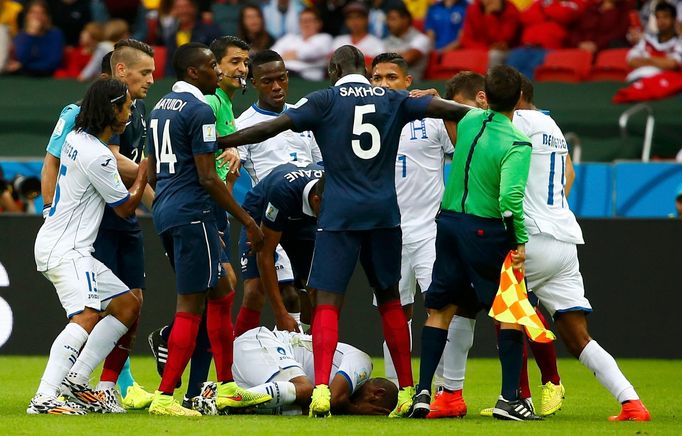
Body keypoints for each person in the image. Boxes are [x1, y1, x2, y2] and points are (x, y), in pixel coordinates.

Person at [217, 44, 473, 418]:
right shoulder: (392, 97)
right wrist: (492, 115)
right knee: (391, 302)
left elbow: (274, 125)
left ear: (335, 69)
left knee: (327, 303)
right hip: (385, 213)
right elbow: (449, 110)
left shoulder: (323, 100)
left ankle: (320, 389)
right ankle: (406, 390)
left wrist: (223, 141)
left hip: (338, 212)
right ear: (365, 68)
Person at [424, 71, 566, 419]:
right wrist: (518, 241)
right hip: (486, 230)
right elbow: (509, 199)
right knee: (510, 312)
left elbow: (445, 108)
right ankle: (510, 399)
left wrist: (424, 98)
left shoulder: (470, 119)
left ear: (485, 95)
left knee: (441, 308)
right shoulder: (517, 142)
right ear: (519, 98)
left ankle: (422, 392)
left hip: (448, 222)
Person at [511, 76, 650, 422]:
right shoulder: (553, 126)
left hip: (534, 237)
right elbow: (569, 173)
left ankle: (521, 398)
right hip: (564, 237)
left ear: (517, 96)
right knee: (578, 337)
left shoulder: (517, 121)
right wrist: (553, 206)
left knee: (507, 315)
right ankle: (631, 402)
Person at [146, 42, 268, 417]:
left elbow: (151, 168)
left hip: (167, 208)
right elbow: (207, 177)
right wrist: (247, 220)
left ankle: (227, 385)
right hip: (193, 212)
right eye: (213, 65)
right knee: (190, 305)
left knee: (222, 290)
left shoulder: (160, 107)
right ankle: (166, 397)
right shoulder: (199, 110)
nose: (219, 71)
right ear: (194, 72)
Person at [40, 39, 157, 413]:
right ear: (111, 112)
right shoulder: (98, 156)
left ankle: (77, 383)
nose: (130, 114)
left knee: (125, 305)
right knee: (87, 314)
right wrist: (145, 172)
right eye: (124, 108)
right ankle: (45, 398)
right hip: (66, 248)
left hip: (69, 245)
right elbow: (124, 207)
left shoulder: (78, 138)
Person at [369, 54, 463, 416]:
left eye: (392, 77)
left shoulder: (430, 117)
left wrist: (441, 105)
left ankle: (444, 391)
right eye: (377, 76)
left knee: (440, 309)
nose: (383, 83)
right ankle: (400, 392)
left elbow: (463, 145)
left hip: (428, 230)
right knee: (395, 312)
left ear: (407, 81)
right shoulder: (362, 119)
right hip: (385, 231)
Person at [230, 49, 322, 338]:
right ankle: (233, 364)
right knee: (265, 292)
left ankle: (300, 351)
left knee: (311, 293)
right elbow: (229, 174)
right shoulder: (243, 125)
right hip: (269, 216)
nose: (277, 87)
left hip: (305, 216)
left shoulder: (303, 119)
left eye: (281, 79)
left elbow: (321, 165)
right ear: (254, 82)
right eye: (268, 81)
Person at [231, 326, 398, 415]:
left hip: (261, 370)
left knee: (291, 408)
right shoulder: (363, 362)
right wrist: (356, 410)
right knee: (306, 390)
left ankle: (215, 398)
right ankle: (232, 397)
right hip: (261, 343)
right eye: (377, 412)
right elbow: (334, 400)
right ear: (377, 394)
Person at [240, 163, 324, 335]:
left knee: (317, 291)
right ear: (316, 200)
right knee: (254, 291)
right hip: (262, 211)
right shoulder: (283, 191)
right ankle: (239, 357)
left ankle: (307, 349)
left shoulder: (335, 188)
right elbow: (265, 253)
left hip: (302, 221)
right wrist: (280, 314)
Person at [162, 0, 221, 77]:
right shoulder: (171, 38)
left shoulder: (210, 31)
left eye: (186, 7)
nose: (182, 11)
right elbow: (170, 68)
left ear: (194, 8)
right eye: (178, 7)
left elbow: (219, 58)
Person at [271, 8, 333, 81]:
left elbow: (308, 54)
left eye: (309, 21)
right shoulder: (290, 38)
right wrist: (294, 55)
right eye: (302, 21)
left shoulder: (325, 38)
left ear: (318, 23)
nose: (306, 24)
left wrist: (285, 55)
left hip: (309, 79)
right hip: (285, 76)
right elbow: (272, 54)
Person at [5, 0, 64, 76]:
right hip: (23, 79)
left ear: (47, 17)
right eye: (33, 13)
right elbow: (21, 58)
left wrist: (24, 67)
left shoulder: (55, 34)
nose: (37, 16)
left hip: (49, 79)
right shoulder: (21, 36)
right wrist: (31, 35)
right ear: (27, 16)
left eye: (41, 13)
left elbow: (52, 63)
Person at [626, 2, 682, 82]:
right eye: (658, 17)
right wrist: (661, 61)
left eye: (665, 17)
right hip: (637, 79)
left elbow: (672, 64)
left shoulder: (679, 42)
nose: (661, 21)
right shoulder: (647, 39)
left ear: (674, 20)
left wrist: (646, 59)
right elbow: (631, 61)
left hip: (663, 83)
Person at [459, 0, 521, 67]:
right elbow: (466, 39)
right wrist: (486, 49)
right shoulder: (473, 8)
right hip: (482, 49)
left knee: (494, 55)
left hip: (509, 51)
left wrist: (491, 16)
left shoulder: (510, 9)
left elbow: (503, 40)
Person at [382, 4, 431, 80]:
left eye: (393, 19)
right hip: (387, 85)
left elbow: (404, 59)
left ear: (405, 19)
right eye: (388, 19)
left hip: (413, 86)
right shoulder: (386, 41)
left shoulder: (421, 39)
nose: (388, 23)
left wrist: (382, 61)